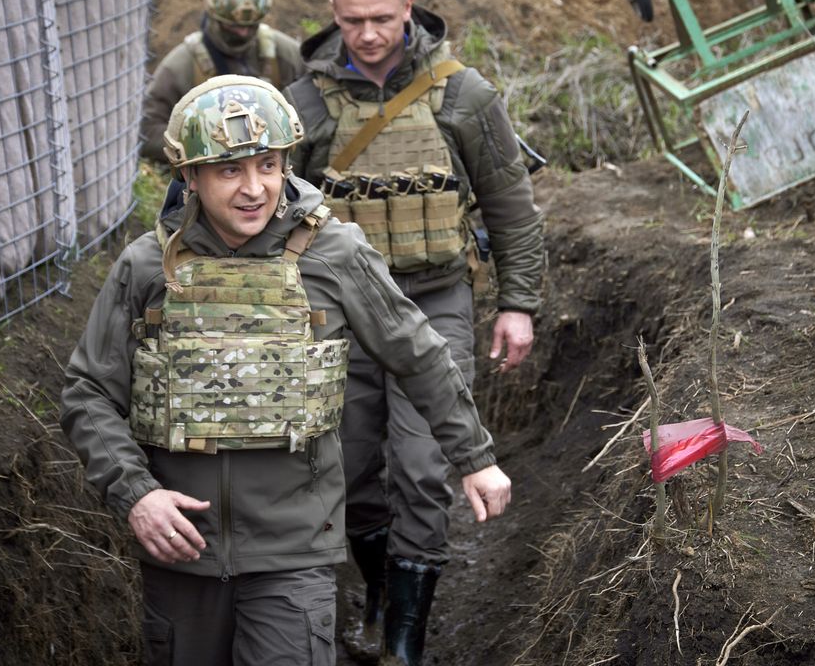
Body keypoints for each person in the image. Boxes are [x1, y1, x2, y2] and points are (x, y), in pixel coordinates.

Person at [59, 76, 511, 666]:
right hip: (180, 555)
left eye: (268, 166)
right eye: (229, 171)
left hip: (294, 553)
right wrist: (137, 495)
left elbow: (419, 354)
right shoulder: (148, 266)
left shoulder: (335, 254)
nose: (255, 189)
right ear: (189, 176)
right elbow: (88, 392)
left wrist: (474, 458)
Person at [283, 0, 544, 665]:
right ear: (332, 15)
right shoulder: (302, 104)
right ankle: (379, 595)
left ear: (408, 8)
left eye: (381, 19)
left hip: (435, 299)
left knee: (425, 465)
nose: (367, 35)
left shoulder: (465, 96)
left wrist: (516, 304)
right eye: (351, 20)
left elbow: (512, 208)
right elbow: (271, 213)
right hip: (338, 315)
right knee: (354, 467)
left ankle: (406, 642)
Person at [140, 0, 305, 163]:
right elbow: (146, 131)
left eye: (251, 26)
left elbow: (312, 108)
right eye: (232, 27)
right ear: (211, 14)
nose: (243, 33)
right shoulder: (181, 66)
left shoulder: (285, 54)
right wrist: (202, 142)